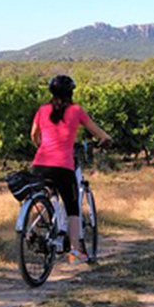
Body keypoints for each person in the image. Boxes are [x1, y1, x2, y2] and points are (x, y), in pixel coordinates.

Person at [30, 75, 112, 263]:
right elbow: (96, 131)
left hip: (40, 164)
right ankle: (75, 251)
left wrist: (41, 148)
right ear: (71, 92)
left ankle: (30, 228)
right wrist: (106, 138)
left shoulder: (42, 110)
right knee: (72, 209)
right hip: (63, 166)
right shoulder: (76, 111)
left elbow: (33, 134)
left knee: (41, 198)